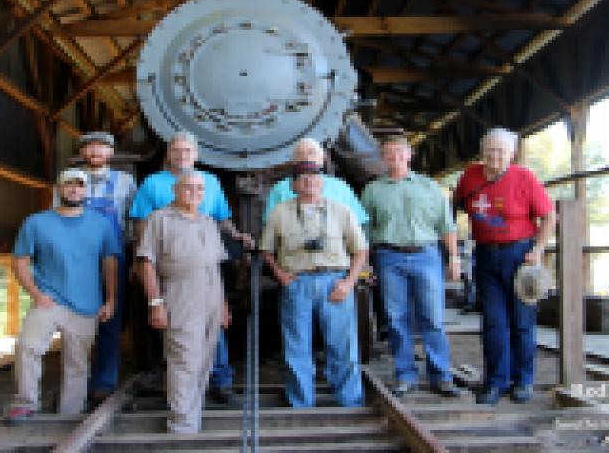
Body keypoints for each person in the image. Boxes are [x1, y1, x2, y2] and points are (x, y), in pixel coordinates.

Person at [130, 131, 253, 403]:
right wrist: (140, 260)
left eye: (187, 150)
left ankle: (218, 378)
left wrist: (237, 235)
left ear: (196, 155)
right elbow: (141, 225)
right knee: (176, 324)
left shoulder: (210, 181)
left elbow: (221, 219)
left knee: (213, 322)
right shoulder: (152, 183)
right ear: (168, 154)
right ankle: (180, 385)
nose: (182, 154)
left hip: (205, 264)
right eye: (177, 150)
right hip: (169, 262)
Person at [6, 168, 119, 422]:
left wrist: (111, 299)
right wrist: (36, 294)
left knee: (77, 363)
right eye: (69, 185)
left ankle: (70, 414)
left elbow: (109, 263)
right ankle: (25, 402)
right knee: (27, 346)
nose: (74, 189)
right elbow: (20, 261)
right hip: (48, 300)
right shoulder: (36, 222)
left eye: (80, 185)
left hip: (87, 304)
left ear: (86, 190)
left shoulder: (100, 224)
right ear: (58, 189)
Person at [454, 127, 555, 404]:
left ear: (511, 153)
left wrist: (538, 248)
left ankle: (523, 381)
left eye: (500, 151)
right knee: (493, 322)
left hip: (519, 254)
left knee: (521, 322)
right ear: (482, 151)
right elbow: (458, 205)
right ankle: (496, 382)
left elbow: (548, 216)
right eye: (489, 150)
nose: (494, 156)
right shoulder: (470, 175)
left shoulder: (525, 177)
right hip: (485, 254)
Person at [260, 161, 367, 408]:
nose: (310, 182)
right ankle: (301, 402)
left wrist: (349, 282)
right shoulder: (279, 212)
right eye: (303, 178)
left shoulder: (341, 211)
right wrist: (279, 274)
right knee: (297, 346)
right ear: (294, 185)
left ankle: (350, 400)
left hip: (335, 282)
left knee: (343, 345)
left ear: (322, 182)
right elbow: (266, 250)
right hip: (297, 283)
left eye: (314, 177)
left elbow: (361, 249)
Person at [361, 135, 461, 397]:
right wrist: (365, 264)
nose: (394, 157)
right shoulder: (372, 191)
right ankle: (405, 376)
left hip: (426, 255)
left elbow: (446, 226)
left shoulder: (429, 187)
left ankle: (441, 375)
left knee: (433, 318)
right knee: (396, 319)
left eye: (399, 152)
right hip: (388, 257)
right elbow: (365, 231)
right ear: (383, 158)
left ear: (409, 155)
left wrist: (453, 257)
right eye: (389, 153)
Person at [136, 170, 230, 433]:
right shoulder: (159, 219)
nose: (195, 193)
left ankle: (193, 415)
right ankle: (181, 423)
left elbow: (215, 267)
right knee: (184, 359)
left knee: (204, 360)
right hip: (180, 293)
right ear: (176, 190)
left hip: (211, 296)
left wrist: (222, 305)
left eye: (200, 189)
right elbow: (147, 263)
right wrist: (155, 303)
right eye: (189, 188)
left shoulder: (209, 222)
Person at [74, 131, 137, 400]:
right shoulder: (70, 181)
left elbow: (133, 222)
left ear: (111, 153)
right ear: (82, 153)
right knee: (77, 320)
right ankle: (76, 380)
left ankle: (104, 380)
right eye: (89, 147)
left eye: (101, 147)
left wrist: (134, 258)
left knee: (111, 321)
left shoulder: (125, 182)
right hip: (77, 260)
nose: (95, 152)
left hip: (114, 257)